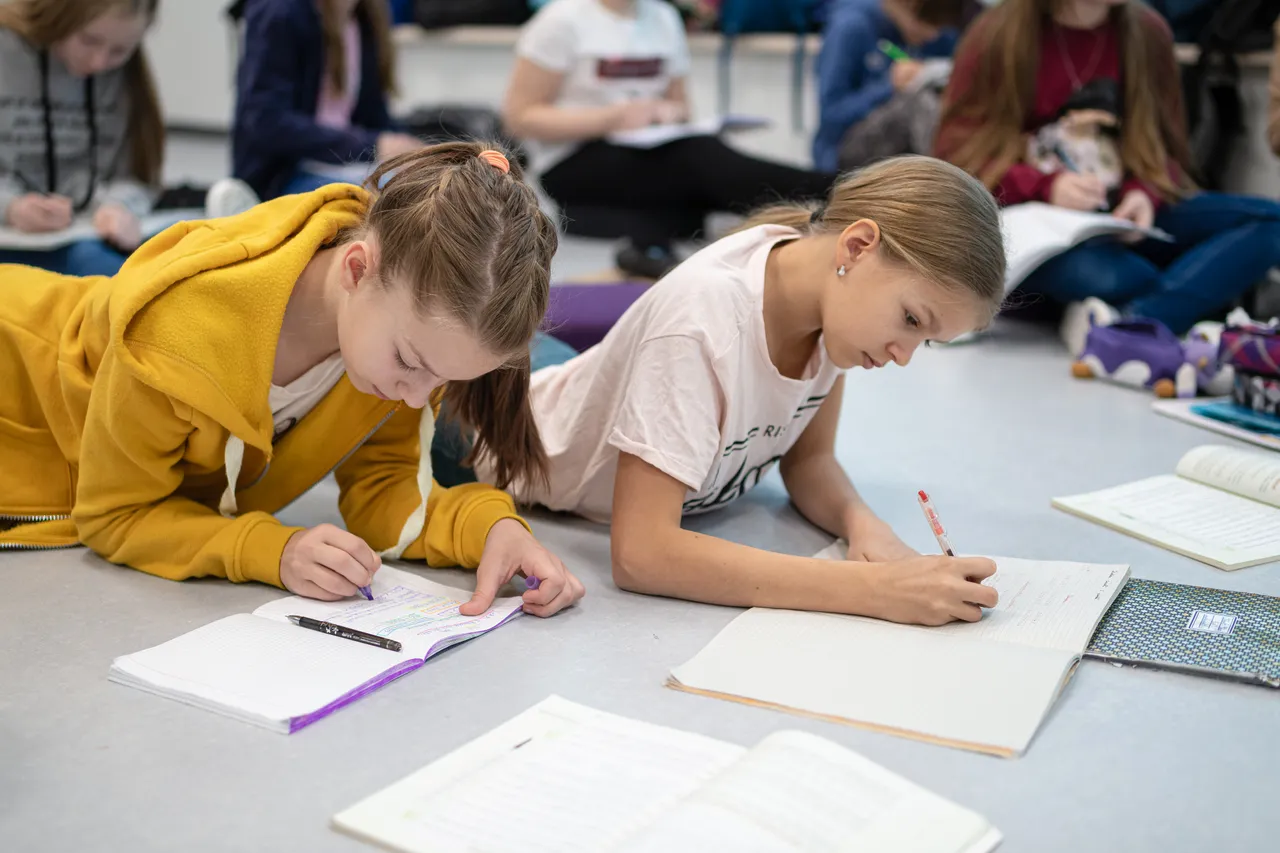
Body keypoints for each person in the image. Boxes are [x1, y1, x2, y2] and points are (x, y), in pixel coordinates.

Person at [0, 141, 585, 619]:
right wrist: (269, 551)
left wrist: (492, 529)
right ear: (357, 269)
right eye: (410, 363)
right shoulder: (176, 330)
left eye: (436, 380)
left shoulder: (391, 329)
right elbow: (117, 515)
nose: (414, 396)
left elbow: (384, 489)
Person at [458, 156, 1007, 627]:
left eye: (927, 341)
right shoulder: (706, 320)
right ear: (858, 246)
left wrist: (864, 526)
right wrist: (876, 592)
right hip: (476, 432)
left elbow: (810, 462)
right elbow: (642, 553)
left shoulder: (827, 307)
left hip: (574, 388)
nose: (903, 356)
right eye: (911, 319)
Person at [934, 0, 1280, 351]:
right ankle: (1154, 309)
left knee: (1270, 223)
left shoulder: (1147, 32)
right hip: (1034, 226)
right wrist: (1047, 186)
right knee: (1123, 275)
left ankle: (1127, 324)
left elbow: (1167, 151)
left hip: (1118, 217)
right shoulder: (997, 32)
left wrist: (1143, 192)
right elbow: (957, 160)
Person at [502, 0, 835, 280]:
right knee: (699, 160)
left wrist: (667, 115)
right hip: (572, 160)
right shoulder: (562, 20)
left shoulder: (663, 17)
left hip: (648, 149)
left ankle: (828, 196)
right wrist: (612, 119)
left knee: (704, 163)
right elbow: (519, 117)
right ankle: (833, 189)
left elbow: (681, 106)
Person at [0, 0, 164, 277]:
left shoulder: (124, 76)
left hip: (83, 234)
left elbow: (136, 173)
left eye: (119, 51)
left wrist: (119, 207)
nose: (99, 62)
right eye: (88, 40)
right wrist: (10, 208)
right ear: (58, 15)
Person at [232, 0, 423, 200]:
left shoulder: (364, 18)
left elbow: (375, 117)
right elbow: (266, 122)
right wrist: (370, 145)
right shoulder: (279, 11)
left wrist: (411, 150)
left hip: (344, 165)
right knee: (389, 199)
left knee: (422, 183)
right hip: (282, 177)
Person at [813, 0, 970, 174]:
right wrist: (889, 86)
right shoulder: (851, 27)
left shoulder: (943, 36)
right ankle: (947, 180)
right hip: (848, 155)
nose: (932, 34)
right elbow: (832, 115)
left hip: (908, 157)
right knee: (919, 103)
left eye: (939, 24)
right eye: (925, 21)